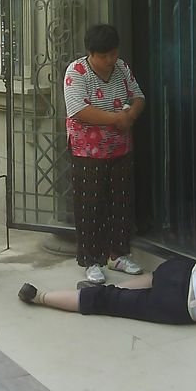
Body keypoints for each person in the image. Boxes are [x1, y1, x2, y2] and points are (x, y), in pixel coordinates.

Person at [18, 238, 196, 323]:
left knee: (152, 278)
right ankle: (40, 297)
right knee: (109, 303)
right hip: (186, 305)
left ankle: (105, 288)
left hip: (187, 270)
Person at [64, 24, 146, 284]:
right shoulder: (77, 72)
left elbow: (138, 97)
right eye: (103, 56)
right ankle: (91, 259)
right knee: (90, 205)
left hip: (119, 148)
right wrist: (116, 119)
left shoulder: (121, 68)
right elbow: (78, 110)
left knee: (121, 202)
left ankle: (118, 254)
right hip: (87, 151)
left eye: (113, 53)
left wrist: (131, 115)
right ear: (91, 53)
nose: (110, 60)